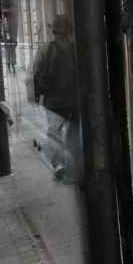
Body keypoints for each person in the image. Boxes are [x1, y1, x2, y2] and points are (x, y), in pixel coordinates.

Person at [32, 15, 80, 182]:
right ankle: (75, 167)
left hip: (53, 102)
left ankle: (59, 164)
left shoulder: (46, 49)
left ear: (53, 31)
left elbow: (37, 74)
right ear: (70, 31)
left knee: (54, 134)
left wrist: (37, 95)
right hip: (75, 101)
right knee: (74, 135)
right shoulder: (78, 48)